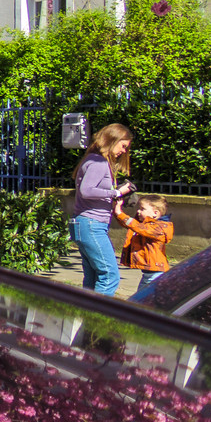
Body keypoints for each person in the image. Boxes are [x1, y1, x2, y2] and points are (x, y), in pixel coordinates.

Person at [72, 122, 136, 296]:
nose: (124, 151)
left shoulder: (91, 159)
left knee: (92, 278)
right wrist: (116, 192)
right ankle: (96, 319)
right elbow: (87, 190)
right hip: (92, 225)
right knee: (109, 275)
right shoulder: (99, 162)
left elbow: (90, 191)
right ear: (111, 139)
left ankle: (84, 316)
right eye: (123, 146)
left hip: (84, 223)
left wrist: (114, 200)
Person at [113, 192, 173, 299]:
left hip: (156, 274)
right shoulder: (145, 225)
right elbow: (131, 225)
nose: (138, 211)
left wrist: (120, 213)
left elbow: (138, 227)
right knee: (142, 301)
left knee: (141, 301)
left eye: (142, 209)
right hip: (149, 273)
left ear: (155, 213)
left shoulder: (160, 228)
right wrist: (117, 211)